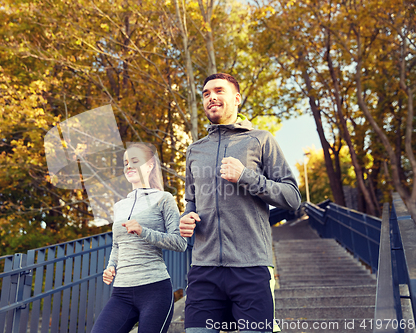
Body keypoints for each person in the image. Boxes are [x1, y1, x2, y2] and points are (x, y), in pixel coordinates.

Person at [179, 73, 301, 333]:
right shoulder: (194, 150)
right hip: (204, 269)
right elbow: (191, 201)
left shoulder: (261, 140)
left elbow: (292, 197)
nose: (211, 97)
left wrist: (246, 176)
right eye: (206, 93)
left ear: (236, 99)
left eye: (219, 91)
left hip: (250, 266)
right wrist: (187, 218)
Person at [91, 143, 187, 333]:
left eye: (135, 161)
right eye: (126, 162)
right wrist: (111, 266)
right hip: (121, 292)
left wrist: (144, 231)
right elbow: (118, 245)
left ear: (150, 165)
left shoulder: (164, 198)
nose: (128, 166)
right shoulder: (120, 206)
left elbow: (180, 242)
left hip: (155, 290)